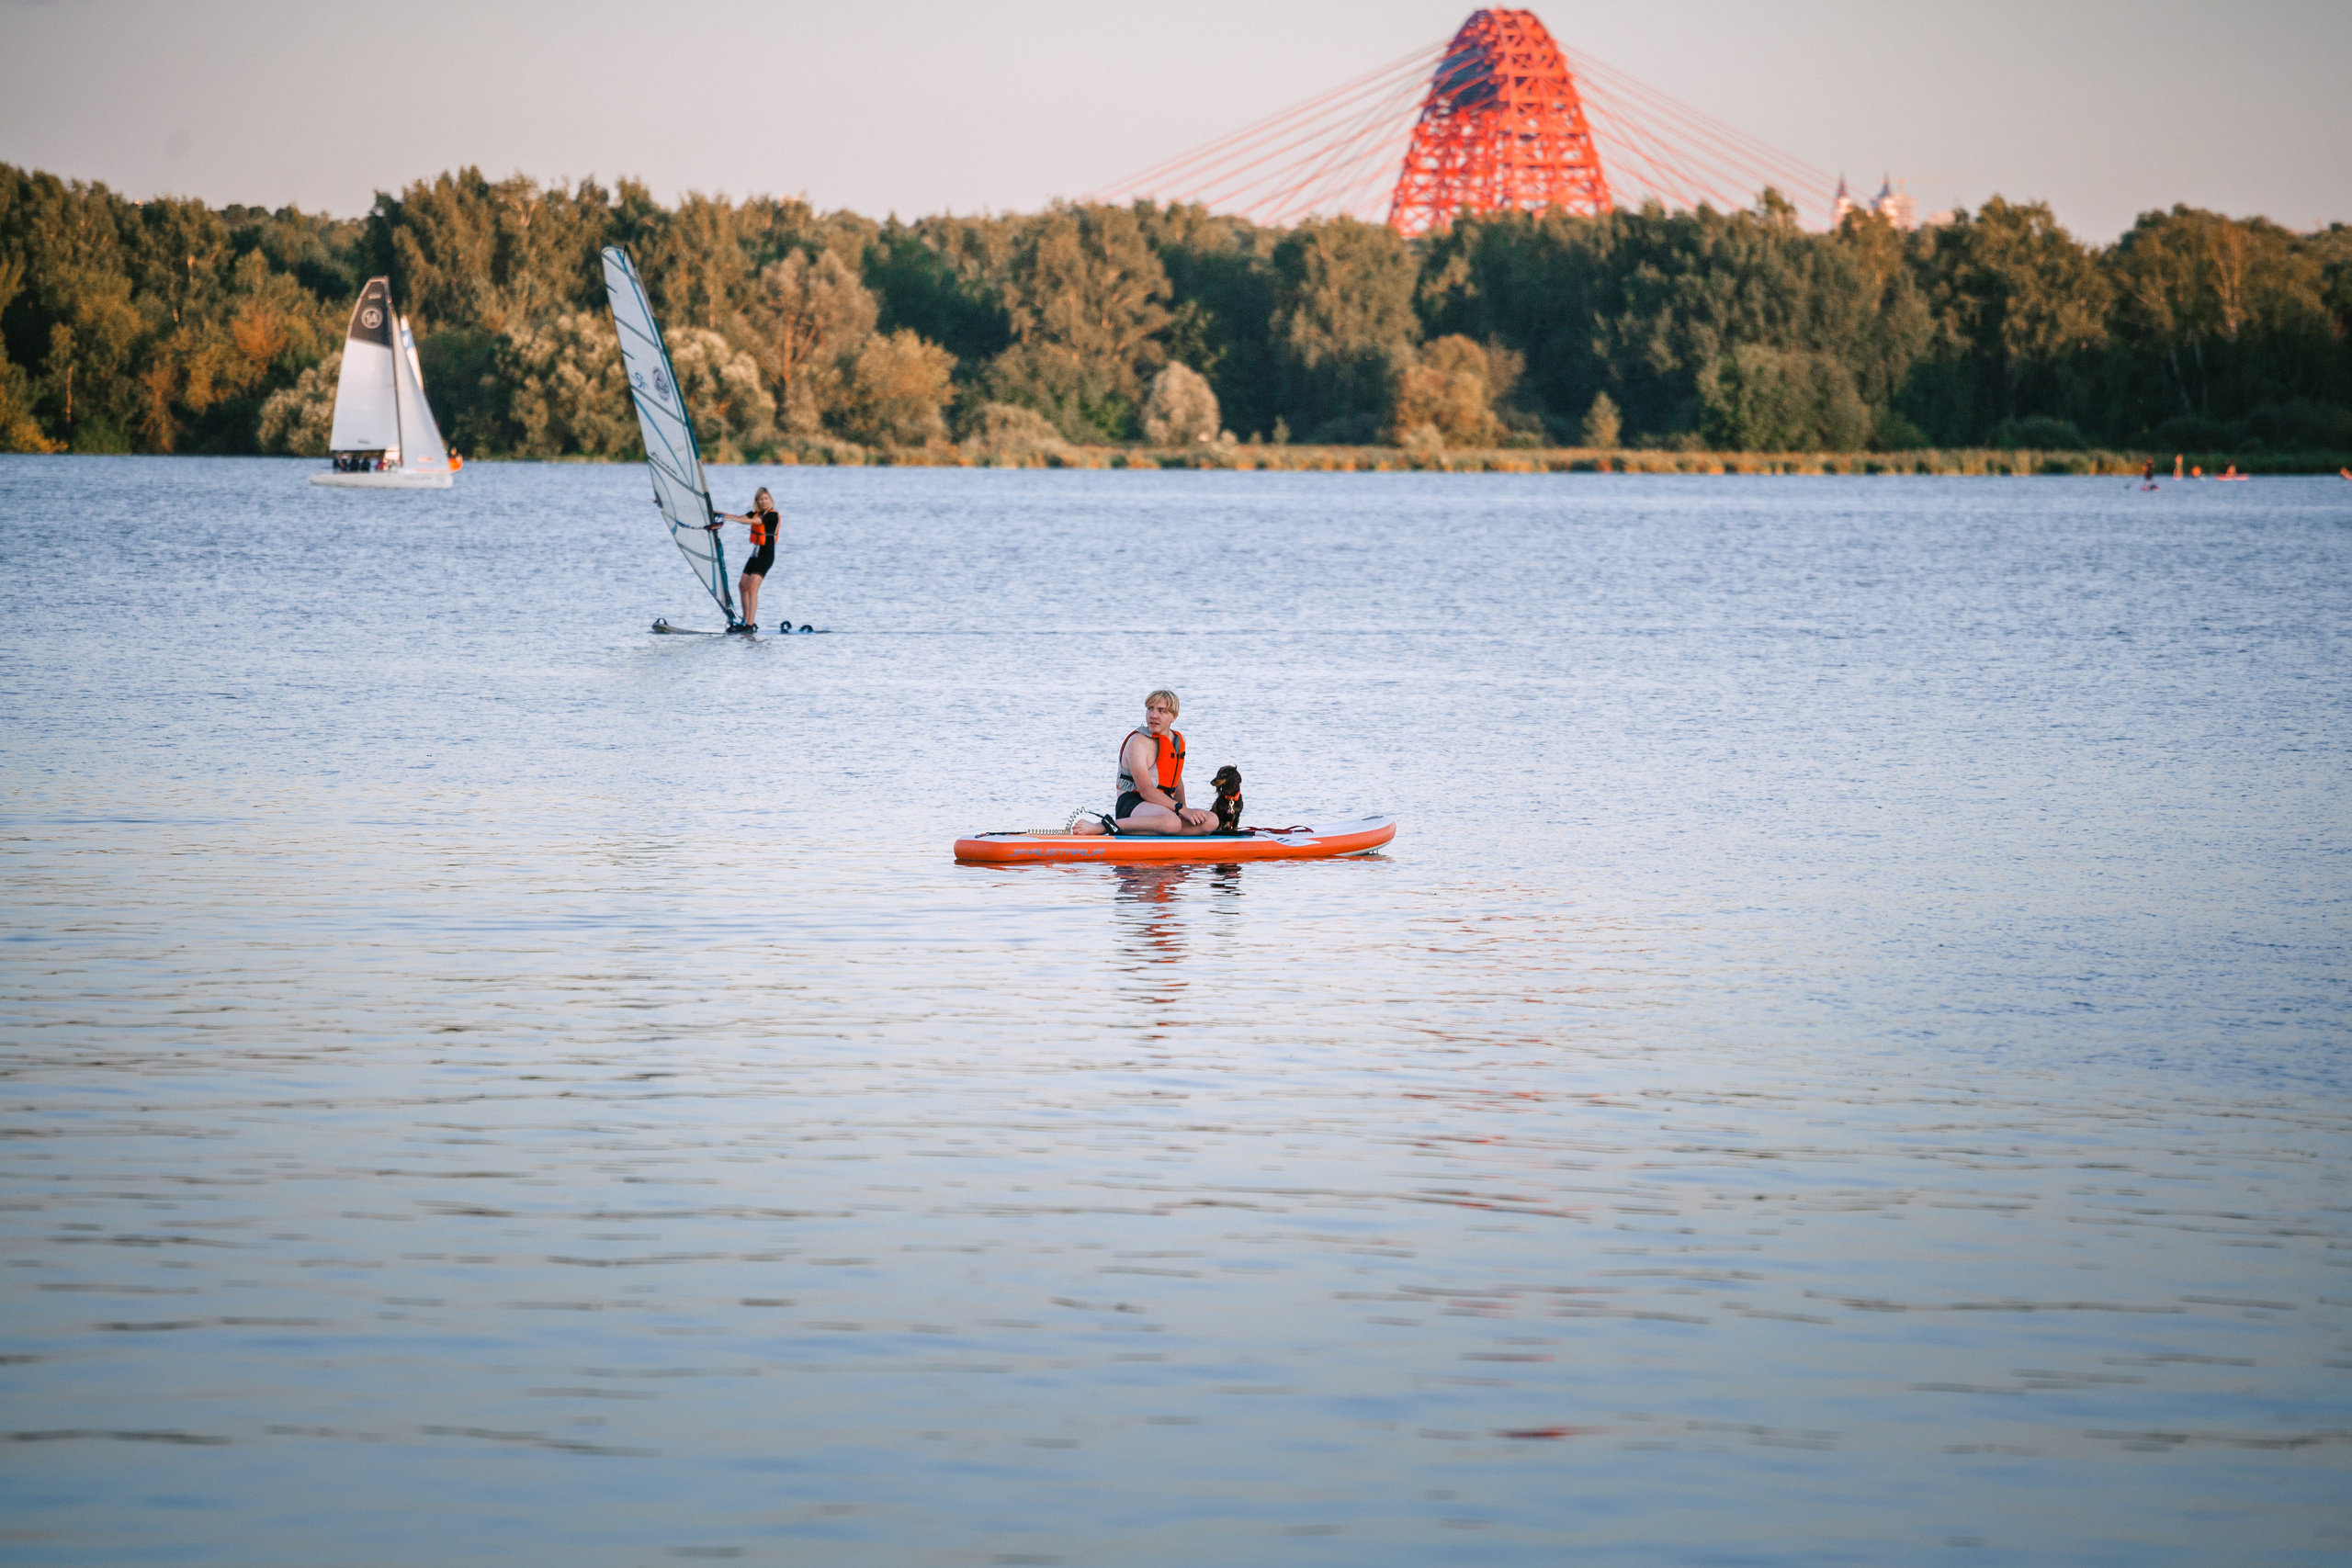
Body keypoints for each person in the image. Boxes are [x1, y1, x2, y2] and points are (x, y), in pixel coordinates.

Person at [1073, 689, 1217, 836]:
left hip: (1165, 807)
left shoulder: (1178, 741)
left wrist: (1185, 813)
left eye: (1161, 711)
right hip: (1133, 805)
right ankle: (1103, 827)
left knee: (1211, 820)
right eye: (1150, 709)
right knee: (1172, 823)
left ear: (1173, 716)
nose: (1153, 715)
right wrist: (1182, 810)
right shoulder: (1138, 743)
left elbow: (1177, 782)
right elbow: (1146, 791)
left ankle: (1158, 831)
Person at [710, 487, 780, 632]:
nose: (763, 502)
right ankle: (745, 620)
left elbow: (755, 522)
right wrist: (717, 513)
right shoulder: (755, 513)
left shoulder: (772, 516)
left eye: (766, 499)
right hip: (755, 555)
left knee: (753, 587)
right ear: (757, 501)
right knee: (743, 585)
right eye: (761, 499)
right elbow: (740, 518)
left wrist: (730, 518)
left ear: (770, 500)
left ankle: (750, 624)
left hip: (766, 556)